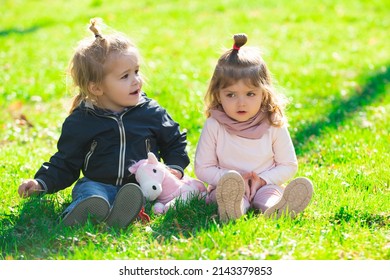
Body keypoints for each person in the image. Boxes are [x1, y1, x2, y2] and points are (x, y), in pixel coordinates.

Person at [18, 18, 190, 228]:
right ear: (97, 88)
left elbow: (174, 141)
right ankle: (87, 211)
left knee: (140, 194)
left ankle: (126, 210)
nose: (136, 80)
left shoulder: (150, 112)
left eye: (136, 71)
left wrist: (174, 167)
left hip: (143, 185)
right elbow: (65, 162)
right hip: (98, 184)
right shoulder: (81, 121)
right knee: (91, 193)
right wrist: (41, 182)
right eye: (125, 76)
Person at [195, 33, 313, 222]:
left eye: (250, 94)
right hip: (226, 185)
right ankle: (234, 208)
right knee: (223, 195)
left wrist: (262, 180)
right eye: (231, 95)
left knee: (270, 194)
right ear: (218, 94)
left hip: (264, 183)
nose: (241, 103)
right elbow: (203, 168)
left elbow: (288, 165)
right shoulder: (215, 124)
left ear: (264, 93)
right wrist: (233, 179)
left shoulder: (272, 123)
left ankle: (275, 209)